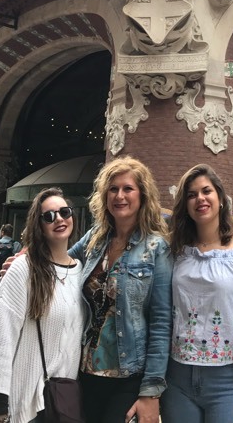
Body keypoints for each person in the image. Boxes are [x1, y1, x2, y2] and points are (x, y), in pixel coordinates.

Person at [161, 164, 233, 423]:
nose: (200, 199)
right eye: (191, 195)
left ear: (220, 199)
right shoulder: (176, 254)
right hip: (177, 379)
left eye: (206, 191)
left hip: (229, 381)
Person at [70, 156, 172, 423]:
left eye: (128, 188)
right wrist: (26, 258)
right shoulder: (94, 239)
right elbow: (58, 262)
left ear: (142, 195)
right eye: (113, 189)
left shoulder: (156, 248)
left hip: (129, 375)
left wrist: (151, 391)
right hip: (85, 370)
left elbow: (161, 321)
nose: (120, 195)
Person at [0, 187, 84, 423]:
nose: (59, 219)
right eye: (49, 216)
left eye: (64, 211)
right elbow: (2, 336)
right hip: (27, 401)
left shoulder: (81, 271)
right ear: (38, 225)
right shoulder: (24, 269)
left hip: (65, 401)